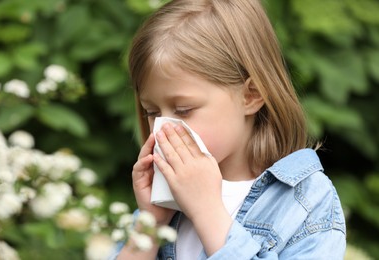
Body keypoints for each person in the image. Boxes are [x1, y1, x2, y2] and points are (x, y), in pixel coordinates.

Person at [113, 0, 346, 259]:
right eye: (152, 113)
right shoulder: (161, 202)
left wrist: (206, 209)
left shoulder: (306, 201)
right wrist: (150, 225)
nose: (162, 130)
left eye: (184, 110)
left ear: (251, 96)